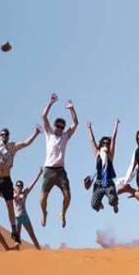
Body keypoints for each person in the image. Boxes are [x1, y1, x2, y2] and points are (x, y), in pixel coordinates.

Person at [40, 93, 79, 228]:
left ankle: (63, 214)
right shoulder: (49, 133)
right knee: (43, 198)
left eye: (62, 127)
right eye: (59, 126)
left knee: (68, 195)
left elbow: (75, 123)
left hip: (60, 170)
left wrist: (72, 109)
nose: (60, 128)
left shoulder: (65, 137)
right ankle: (44, 213)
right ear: (55, 125)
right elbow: (43, 116)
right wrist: (50, 103)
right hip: (48, 170)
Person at [84, 119, 120, 214]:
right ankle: (99, 203)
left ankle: (115, 204)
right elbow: (92, 140)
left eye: (107, 144)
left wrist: (116, 124)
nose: (105, 145)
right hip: (99, 183)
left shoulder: (110, 155)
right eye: (103, 143)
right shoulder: (97, 154)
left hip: (108, 183)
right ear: (100, 145)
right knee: (94, 205)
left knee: (112, 200)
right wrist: (89, 128)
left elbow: (113, 139)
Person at [13, 169, 44, 250]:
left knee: (32, 235)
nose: (19, 187)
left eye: (21, 186)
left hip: (24, 217)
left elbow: (32, 184)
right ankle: (16, 254)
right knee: (17, 238)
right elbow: (8, 195)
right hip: (17, 218)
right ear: (15, 187)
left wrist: (39, 174)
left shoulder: (25, 193)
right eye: (18, 185)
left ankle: (40, 251)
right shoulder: (13, 195)